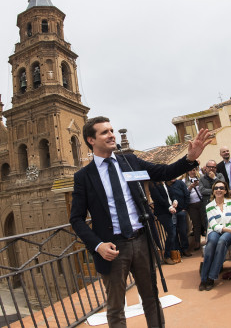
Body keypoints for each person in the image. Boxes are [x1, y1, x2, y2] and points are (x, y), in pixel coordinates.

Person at [70, 116, 211, 327]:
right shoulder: (84, 176)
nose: (111, 135)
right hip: (113, 248)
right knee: (116, 308)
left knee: (152, 299)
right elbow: (76, 219)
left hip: (142, 241)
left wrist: (189, 159)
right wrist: (98, 246)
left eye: (112, 130)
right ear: (91, 140)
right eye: (104, 132)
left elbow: (163, 172)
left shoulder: (129, 161)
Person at [198, 180, 231, 291]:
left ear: (225, 191)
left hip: (230, 232)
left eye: (221, 188)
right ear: (213, 191)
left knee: (222, 241)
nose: (219, 190)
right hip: (216, 230)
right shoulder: (209, 206)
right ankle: (203, 279)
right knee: (211, 244)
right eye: (216, 188)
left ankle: (211, 277)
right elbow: (214, 226)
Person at [149, 181, 179, 265]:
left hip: (171, 211)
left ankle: (172, 254)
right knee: (172, 233)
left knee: (173, 232)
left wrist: (175, 200)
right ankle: (166, 256)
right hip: (162, 213)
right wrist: (169, 207)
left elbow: (172, 193)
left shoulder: (165, 183)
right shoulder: (153, 184)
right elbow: (158, 198)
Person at [165, 178, 191, 257]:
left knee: (183, 231)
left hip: (181, 211)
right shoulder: (165, 185)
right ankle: (178, 251)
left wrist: (184, 208)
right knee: (174, 232)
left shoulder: (180, 183)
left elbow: (186, 194)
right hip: (170, 213)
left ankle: (185, 249)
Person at [184, 169, 205, 251]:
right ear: (187, 172)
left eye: (194, 170)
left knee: (205, 222)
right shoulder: (184, 181)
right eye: (190, 170)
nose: (192, 172)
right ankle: (197, 242)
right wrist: (190, 187)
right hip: (192, 205)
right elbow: (185, 193)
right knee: (196, 224)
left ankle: (208, 240)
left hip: (201, 202)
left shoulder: (201, 178)